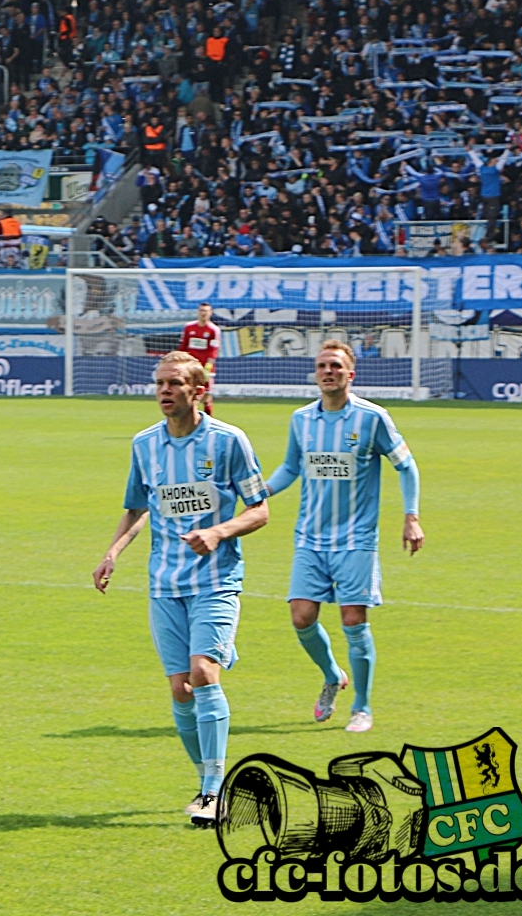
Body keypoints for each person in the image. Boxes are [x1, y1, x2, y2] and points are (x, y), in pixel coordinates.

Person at [91, 351, 269, 827]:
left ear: (198, 391)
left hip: (216, 580)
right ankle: (205, 779)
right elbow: (135, 506)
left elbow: (260, 509)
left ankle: (214, 790)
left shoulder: (230, 441)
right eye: (159, 384)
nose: (164, 391)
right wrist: (112, 553)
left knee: (203, 672)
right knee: (179, 688)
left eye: (174, 383)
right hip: (164, 584)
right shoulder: (145, 445)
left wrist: (218, 532)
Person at [264, 340, 423, 733]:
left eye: (335, 365)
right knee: (301, 616)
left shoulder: (372, 419)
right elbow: (290, 467)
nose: (328, 371)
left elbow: (407, 466)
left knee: (353, 619)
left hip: (356, 539)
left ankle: (362, 708)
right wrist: (259, 492)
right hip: (310, 538)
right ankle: (332, 674)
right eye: (321, 366)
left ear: (351, 374)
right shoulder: (302, 420)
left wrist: (411, 516)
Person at [178, 302, 221, 415]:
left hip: (205, 368)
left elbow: (214, 350)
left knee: (206, 395)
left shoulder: (213, 330)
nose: (203, 313)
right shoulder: (189, 327)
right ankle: (190, 418)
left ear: (210, 313)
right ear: (198, 312)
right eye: (201, 310)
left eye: (206, 311)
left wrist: (208, 366)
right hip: (190, 367)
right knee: (188, 393)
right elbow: (183, 347)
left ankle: (208, 421)